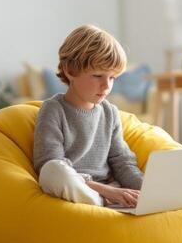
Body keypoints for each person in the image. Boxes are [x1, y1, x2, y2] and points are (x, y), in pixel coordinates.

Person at [33, 24, 143, 208]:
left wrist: (146, 190)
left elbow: (123, 162)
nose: (106, 86)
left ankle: (103, 202)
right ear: (70, 70)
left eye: (112, 77)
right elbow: (50, 165)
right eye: (98, 75)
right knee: (53, 170)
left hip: (110, 190)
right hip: (82, 189)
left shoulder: (110, 113)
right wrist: (106, 192)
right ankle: (99, 202)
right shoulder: (53, 110)